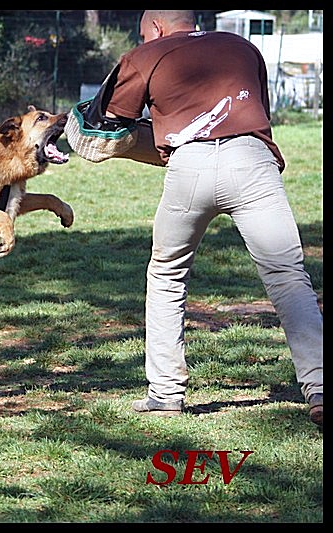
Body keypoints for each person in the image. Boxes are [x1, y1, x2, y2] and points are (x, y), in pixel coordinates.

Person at [103, 11, 323, 425]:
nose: (144, 39)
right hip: (252, 161)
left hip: (189, 166)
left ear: (157, 28)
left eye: (144, 34)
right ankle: (321, 387)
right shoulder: (243, 46)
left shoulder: (145, 55)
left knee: (167, 274)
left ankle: (165, 392)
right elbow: (255, 113)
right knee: (288, 276)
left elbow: (110, 126)